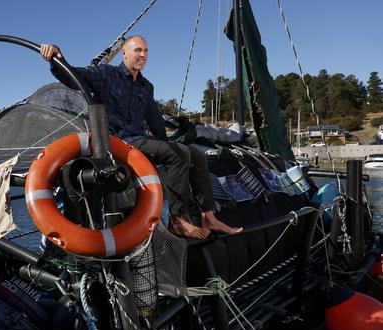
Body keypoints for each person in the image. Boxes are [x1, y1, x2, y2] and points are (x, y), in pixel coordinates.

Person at [40, 36, 242, 239]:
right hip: (117, 142)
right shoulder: (105, 74)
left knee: (195, 156)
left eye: (145, 51)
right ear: (124, 53)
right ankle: (178, 220)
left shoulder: (146, 87)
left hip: (139, 141)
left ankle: (209, 216)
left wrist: (168, 142)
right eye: (137, 50)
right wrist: (57, 58)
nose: (143, 55)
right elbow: (73, 77)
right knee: (179, 154)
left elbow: (154, 120)